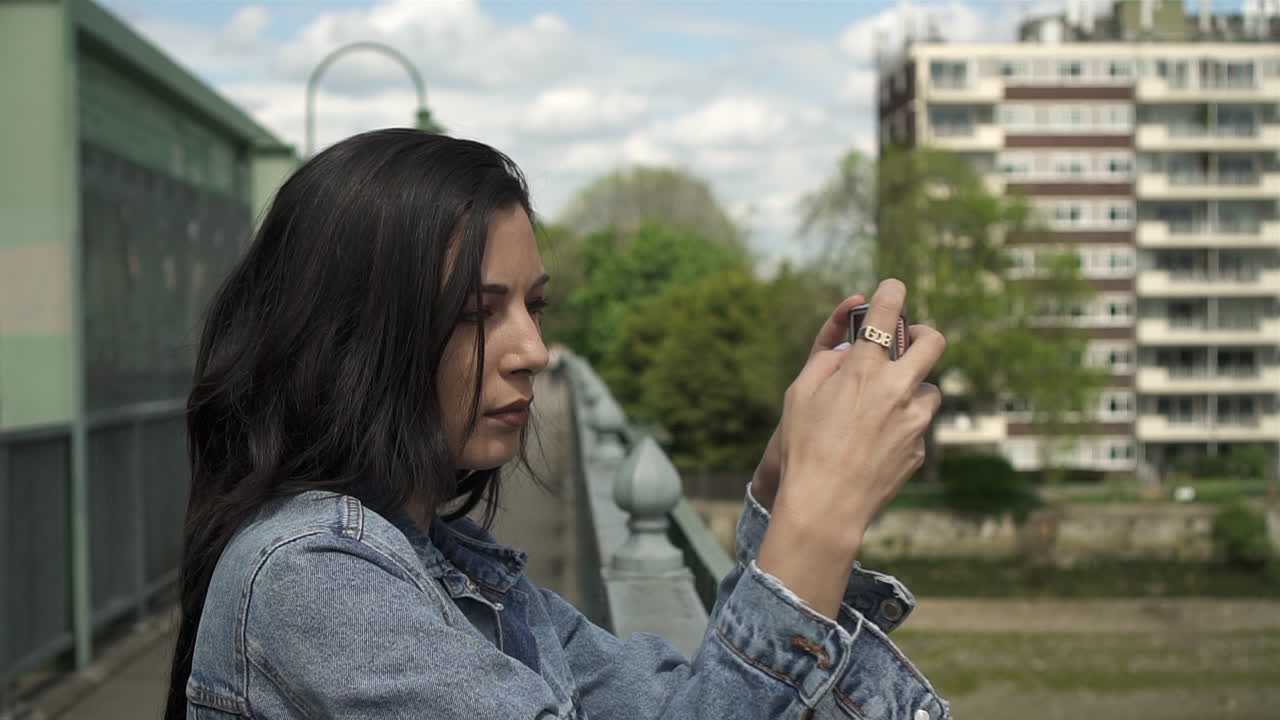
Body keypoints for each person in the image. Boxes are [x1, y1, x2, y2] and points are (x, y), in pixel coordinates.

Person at [165, 129, 950, 720]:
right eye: (479, 313)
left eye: (533, 306)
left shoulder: (462, 578)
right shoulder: (313, 579)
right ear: (353, 336)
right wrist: (819, 523)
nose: (534, 352)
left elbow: (689, 706)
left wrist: (784, 489)